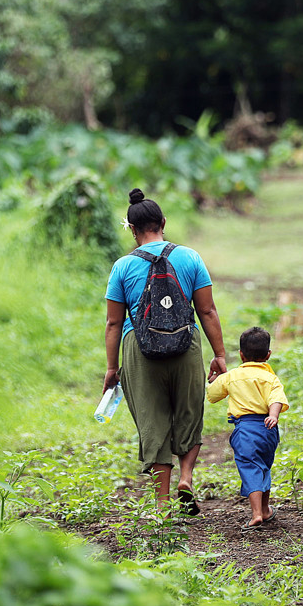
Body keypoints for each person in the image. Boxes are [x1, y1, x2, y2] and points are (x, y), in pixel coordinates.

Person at [104, 188, 228, 515]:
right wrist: (220, 355)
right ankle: (186, 477)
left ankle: (162, 502)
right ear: (162, 222)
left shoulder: (122, 266)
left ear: (131, 229)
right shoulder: (190, 257)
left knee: (153, 421)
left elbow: (114, 324)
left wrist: (111, 368)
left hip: (139, 350)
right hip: (185, 344)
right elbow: (208, 311)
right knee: (189, 413)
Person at [205, 326, 289, 530]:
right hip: (268, 429)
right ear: (268, 355)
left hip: (245, 429)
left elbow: (212, 395)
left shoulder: (232, 376)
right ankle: (266, 509)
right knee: (264, 467)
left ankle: (256, 514)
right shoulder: (271, 378)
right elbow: (277, 398)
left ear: (241, 354)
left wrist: (215, 380)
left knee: (249, 466)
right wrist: (273, 415)